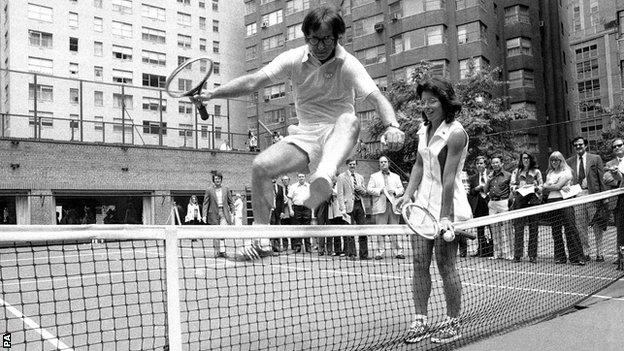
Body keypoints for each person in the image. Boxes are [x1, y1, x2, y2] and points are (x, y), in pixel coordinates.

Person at [190, 5, 404, 259]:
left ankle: (324, 175)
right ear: (306, 37)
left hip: (339, 137)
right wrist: (213, 93)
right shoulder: (294, 58)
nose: (320, 45)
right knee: (260, 166)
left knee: (349, 119)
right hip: (305, 137)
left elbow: (376, 97)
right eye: (314, 39)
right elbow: (253, 81)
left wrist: (393, 126)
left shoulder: (348, 64)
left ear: (337, 38)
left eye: (326, 39)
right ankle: (262, 240)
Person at [395, 77, 472, 344]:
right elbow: (418, 166)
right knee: (418, 263)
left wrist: (445, 218)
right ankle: (420, 321)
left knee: (446, 265)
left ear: (445, 102)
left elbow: (449, 178)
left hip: (447, 206)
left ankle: (452, 322)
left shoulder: (456, 133)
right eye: (423, 101)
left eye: (432, 101)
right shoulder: (422, 130)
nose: (426, 106)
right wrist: (406, 195)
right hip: (420, 207)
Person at [538, 151, 585, 266]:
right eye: (552, 160)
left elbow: (555, 186)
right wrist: (553, 187)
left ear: (561, 160)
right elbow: (550, 187)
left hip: (565, 201)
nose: (554, 162)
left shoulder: (567, 171)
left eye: (557, 160)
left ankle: (576, 257)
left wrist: (549, 187)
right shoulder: (549, 173)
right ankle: (560, 257)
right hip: (552, 202)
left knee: (570, 228)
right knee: (556, 230)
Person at [566, 136, 607, 262]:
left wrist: (604, 197)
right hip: (578, 197)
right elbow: (569, 180)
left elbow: (602, 179)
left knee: (597, 225)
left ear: (586, 145)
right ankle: (586, 251)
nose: (578, 147)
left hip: (593, 196)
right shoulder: (569, 162)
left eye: (580, 144)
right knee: (581, 226)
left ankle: (600, 252)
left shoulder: (596, 158)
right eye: (576, 145)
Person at [367, 155, 405, 260]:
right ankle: (380, 252)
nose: (383, 164)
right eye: (381, 162)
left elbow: (401, 189)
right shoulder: (374, 176)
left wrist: (395, 192)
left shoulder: (396, 177)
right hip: (380, 206)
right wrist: (380, 190)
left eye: (385, 162)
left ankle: (398, 251)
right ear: (379, 164)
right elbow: (369, 189)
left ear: (389, 163)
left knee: (395, 229)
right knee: (380, 230)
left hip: (393, 205)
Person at [509, 152, 543, 263]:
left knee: (534, 228)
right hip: (520, 201)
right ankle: (517, 255)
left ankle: (532, 255)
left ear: (531, 159)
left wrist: (535, 187)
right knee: (518, 228)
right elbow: (512, 186)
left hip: (533, 201)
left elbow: (542, 186)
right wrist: (518, 187)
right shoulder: (516, 171)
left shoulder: (536, 172)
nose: (526, 160)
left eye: (528, 158)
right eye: (524, 158)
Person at [337, 159, 369, 260]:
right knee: (350, 231)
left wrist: (361, 189)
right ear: (347, 165)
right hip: (348, 207)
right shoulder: (341, 177)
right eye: (350, 164)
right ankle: (352, 254)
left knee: (363, 230)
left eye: (354, 164)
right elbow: (340, 194)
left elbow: (365, 192)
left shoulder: (360, 177)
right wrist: (342, 208)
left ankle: (364, 255)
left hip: (360, 205)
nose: (352, 166)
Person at [484, 156, 513, 260]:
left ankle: (510, 254)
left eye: (497, 162)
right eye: (493, 163)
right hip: (492, 203)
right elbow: (485, 190)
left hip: (504, 202)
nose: (495, 164)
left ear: (502, 164)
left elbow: (511, 190)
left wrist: (509, 203)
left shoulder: (508, 175)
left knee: (507, 229)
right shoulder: (490, 175)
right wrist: (488, 180)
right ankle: (497, 253)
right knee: (494, 230)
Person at [603, 137, 624, 269]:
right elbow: (606, 179)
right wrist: (619, 180)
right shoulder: (610, 163)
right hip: (619, 200)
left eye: (619, 145)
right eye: (614, 147)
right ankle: (621, 259)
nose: (617, 148)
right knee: (621, 231)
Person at [202, 171, 235, 258]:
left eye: (219, 178)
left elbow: (231, 202)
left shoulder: (226, 189)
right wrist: (204, 215)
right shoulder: (209, 190)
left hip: (224, 213)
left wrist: (233, 212)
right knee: (216, 233)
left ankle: (223, 251)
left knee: (222, 232)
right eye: (216, 179)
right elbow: (205, 203)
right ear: (213, 180)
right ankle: (216, 252)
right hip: (213, 213)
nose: (217, 180)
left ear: (221, 180)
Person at [466, 156, 493, 257]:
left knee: (491, 228)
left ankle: (492, 250)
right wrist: (476, 189)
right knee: (480, 229)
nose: (479, 165)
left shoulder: (491, 174)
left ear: (485, 164)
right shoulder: (472, 178)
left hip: (490, 204)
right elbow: (470, 193)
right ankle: (481, 250)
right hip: (478, 205)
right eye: (477, 163)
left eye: (481, 163)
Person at [288, 173, 312, 253]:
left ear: (305, 177)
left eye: (302, 176)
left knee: (307, 227)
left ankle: (308, 247)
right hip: (297, 208)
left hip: (307, 208)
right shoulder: (293, 187)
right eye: (299, 177)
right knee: (297, 227)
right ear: (297, 177)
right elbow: (289, 199)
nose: (301, 178)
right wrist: (291, 210)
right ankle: (297, 247)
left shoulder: (309, 186)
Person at [269, 178, 287, 251]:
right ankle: (271, 246)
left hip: (278, 211)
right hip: (270, 211)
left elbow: (282, 200)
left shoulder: (280, 188)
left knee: (278, 228)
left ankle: (277, 246)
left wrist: (282, 211)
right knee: (271, 228)